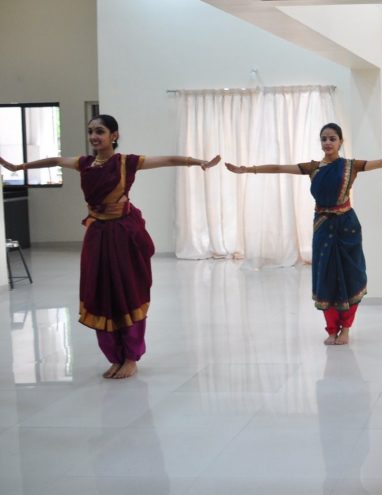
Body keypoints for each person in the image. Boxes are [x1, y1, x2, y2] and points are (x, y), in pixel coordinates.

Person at [0, 114, 221, 379]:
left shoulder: (127, 163)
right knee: (99, 292)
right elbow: (56, 160)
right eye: (91, 131)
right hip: (98, 236)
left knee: (127, 292)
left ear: (114, 135)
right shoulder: (84, 164)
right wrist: (17, 167)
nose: (94, 136)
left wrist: (199, 162)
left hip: (123, 235)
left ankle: (130, 357)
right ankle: (114, 356)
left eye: (100, 131)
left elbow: (169, 160)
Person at [225, 123, 382, 345]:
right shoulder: (313, 168)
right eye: (324, 139)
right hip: (323, 226)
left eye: (332, 138)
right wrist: (249, 169)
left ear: (340, 141)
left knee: (351, 275)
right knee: (325, 277)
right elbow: (279, 168)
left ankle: (346, 329)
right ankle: (331, 329)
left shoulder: (351, 166)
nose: (328, 143)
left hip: (347, 227)